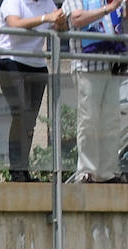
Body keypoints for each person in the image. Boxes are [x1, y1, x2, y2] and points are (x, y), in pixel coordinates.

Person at [0, 0, 64, 181]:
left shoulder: (47, 3)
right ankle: (16, 169)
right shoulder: (13, 2)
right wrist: (46, 18)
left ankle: (23, 169)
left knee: (30, 120)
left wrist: (61, 21)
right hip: (11, 61)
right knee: (21, 112)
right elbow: (15, 24)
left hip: (37, 65)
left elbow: (59, 27)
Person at [63, 0, 125, 182]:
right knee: (89, 121)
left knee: (111, 122)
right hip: (87, 66)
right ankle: (86, 172)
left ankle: (107, 173)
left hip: (112, 65)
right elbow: (77, 19)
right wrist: (108, 9)